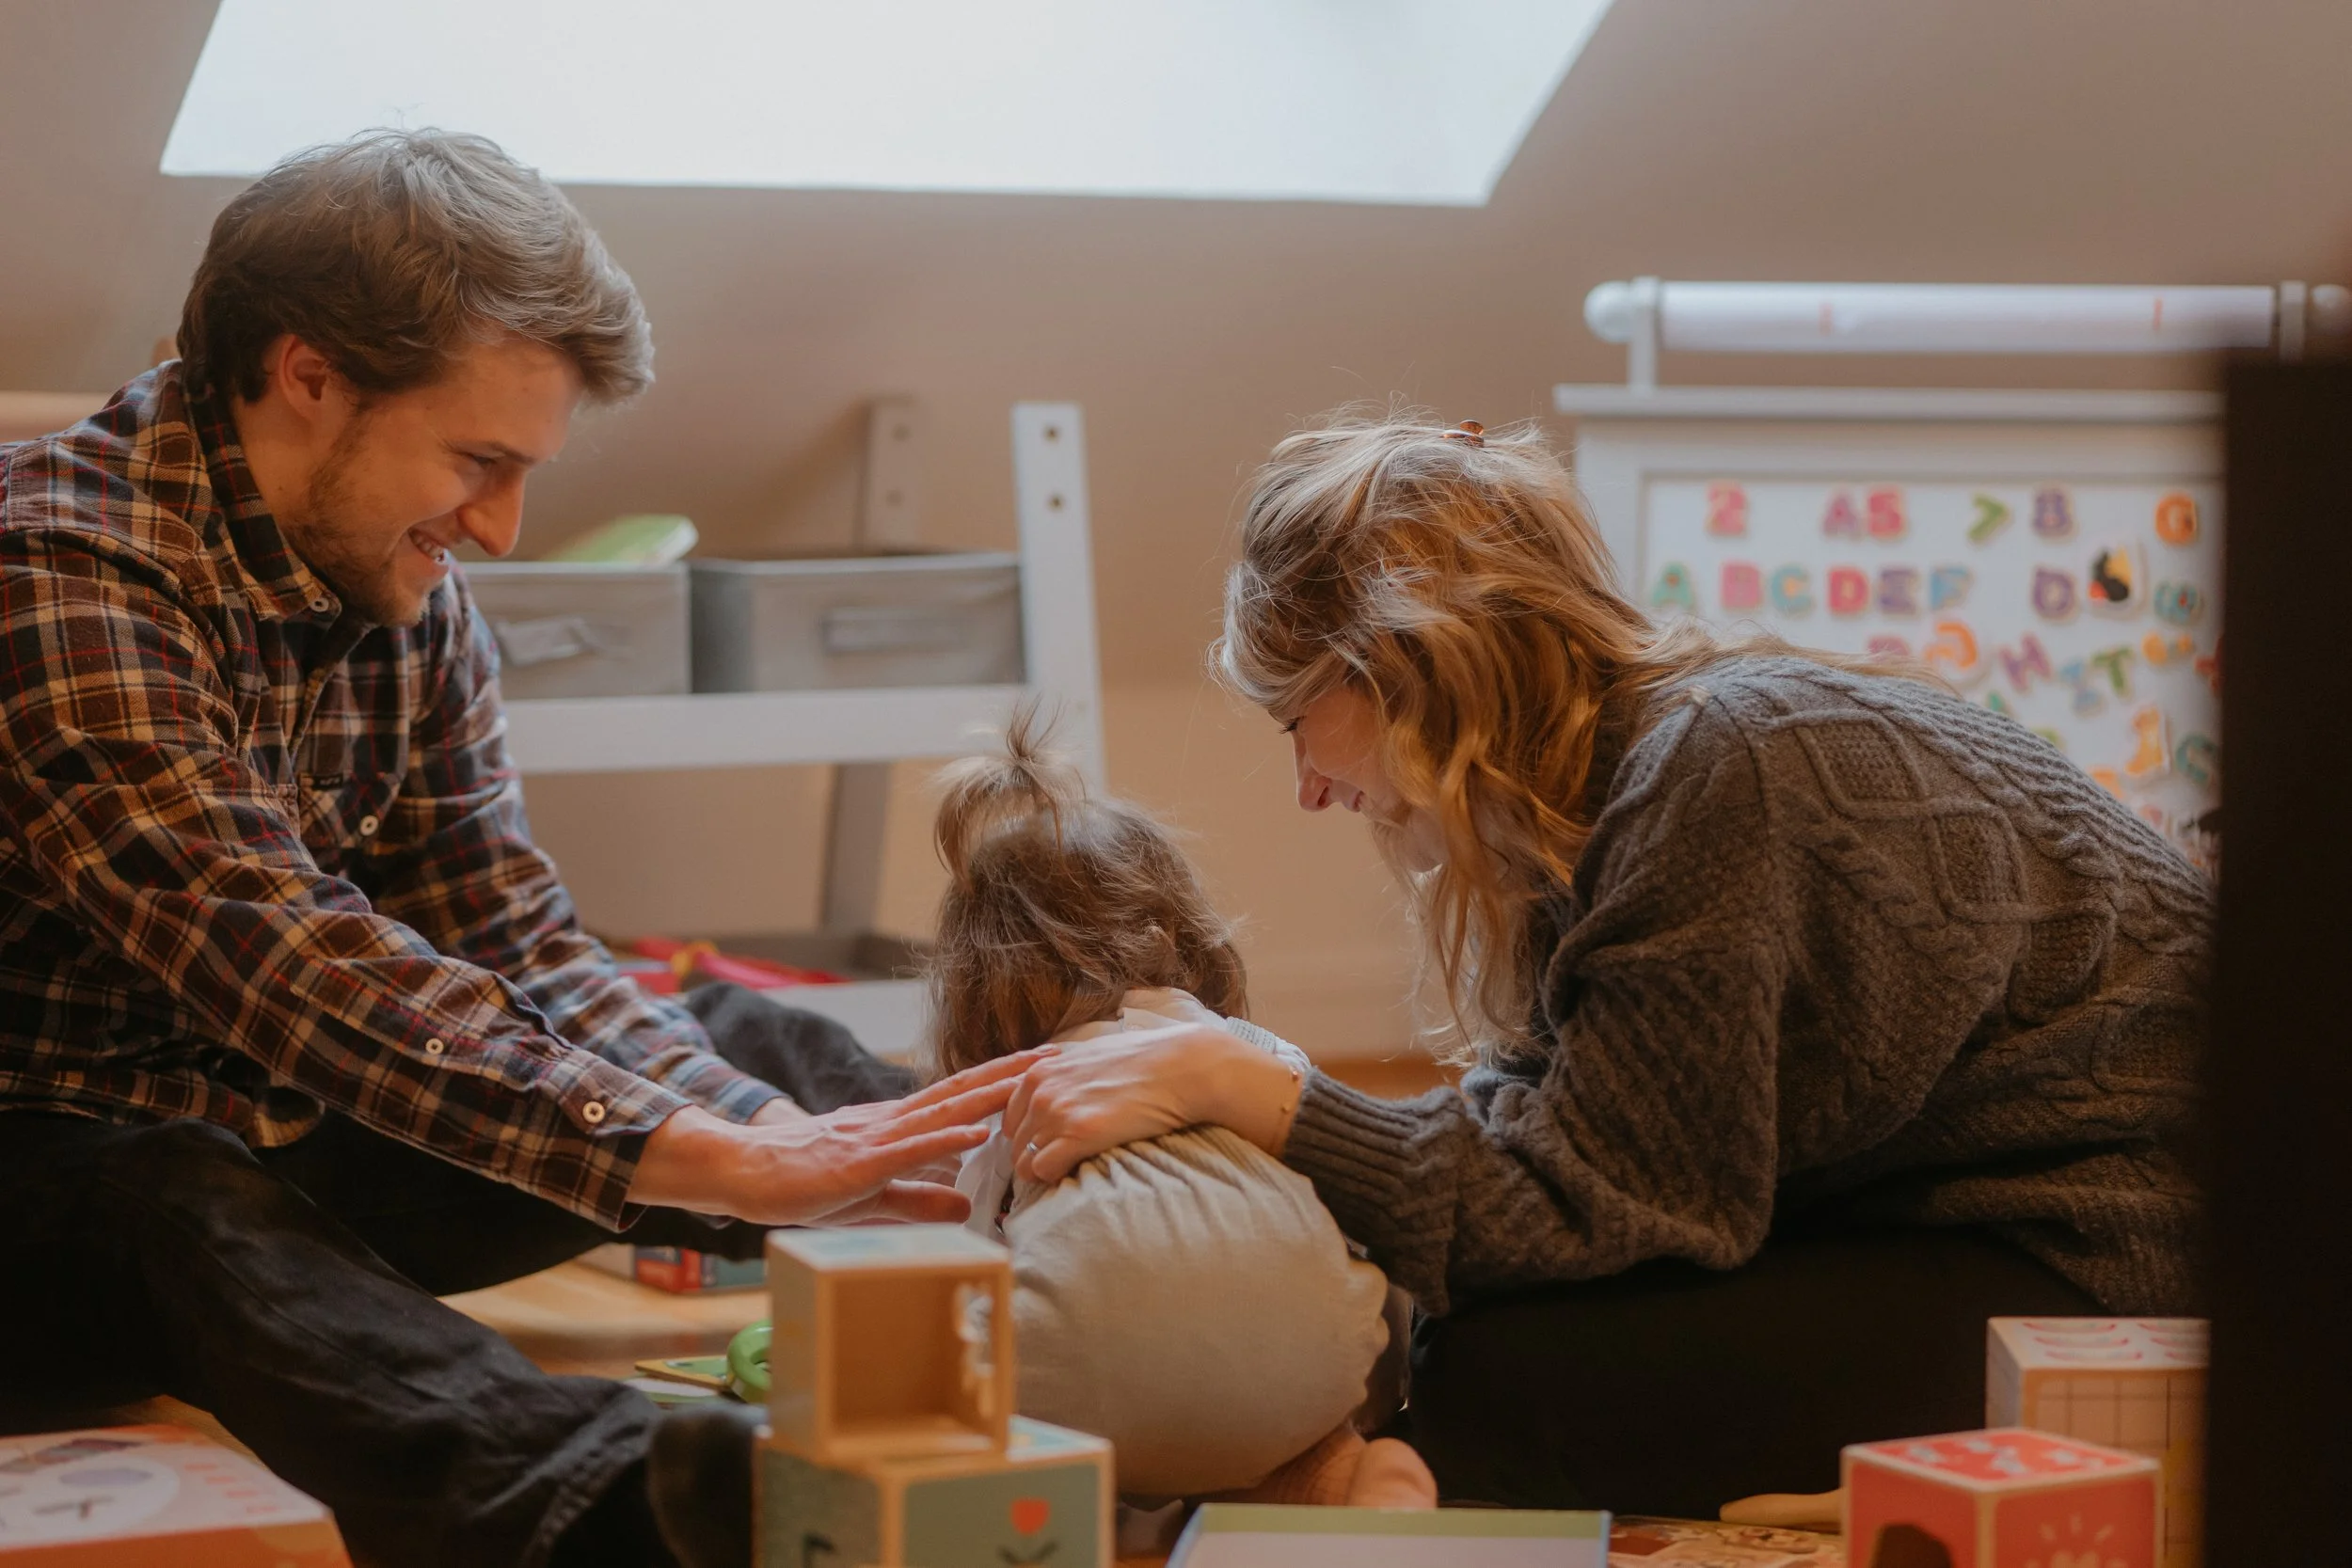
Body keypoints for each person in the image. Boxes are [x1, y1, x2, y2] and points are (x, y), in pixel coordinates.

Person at [0, 129, 1029, 1568]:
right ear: (308, 375)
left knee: (737, 1037)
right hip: (50, 1195)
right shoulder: (54, 569)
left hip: (280, 1143)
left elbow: (518, 942)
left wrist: (768, 1134)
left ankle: (1051, 1251)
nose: (501, 524)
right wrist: (700, 1157)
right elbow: (295, 968)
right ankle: (598, 1502)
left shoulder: (408, 598)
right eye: (479, 459)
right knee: (173, 1191)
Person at [996, 413, 2209, 1515]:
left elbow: (1610, 1203)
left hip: (2127, 1254)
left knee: (1505, 1380)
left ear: (1405, 660)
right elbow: (1568, 1138)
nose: (1309, 786)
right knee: (1471, 1330)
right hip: (1952, 1201)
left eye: (1296, 719)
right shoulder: (1604, 780)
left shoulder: (1718, 768)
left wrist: (1248, 1089)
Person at [921, 712, 1433, 1512]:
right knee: (1326, 1433)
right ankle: (1361, 1477)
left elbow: (968, 1248)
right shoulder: (1249, 1053)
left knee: (976, 1380)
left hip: (1070, 1391)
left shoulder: (1017, 1085)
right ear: (1185, 935)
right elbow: (1356, 1197)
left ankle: (1097, 1512)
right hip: (1304, 1366)